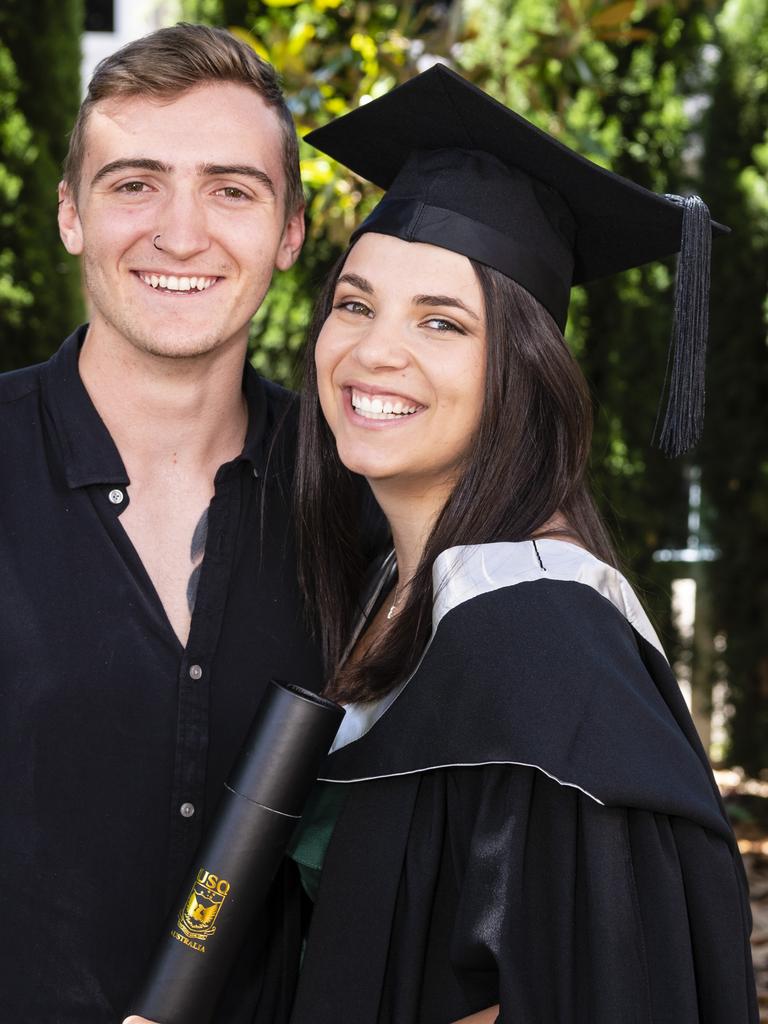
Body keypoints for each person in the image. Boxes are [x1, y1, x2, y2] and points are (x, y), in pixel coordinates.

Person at [283, 66, 758, 1023]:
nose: (374, 352)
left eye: (443, 322)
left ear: (525, 371)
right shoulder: (393, 590)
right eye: (355, 302)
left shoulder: (544, 645)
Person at [0, 24, 325, 1023]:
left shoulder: (359, 503)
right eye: (134, 183)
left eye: (232, 189)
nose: (180, 234)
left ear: (290, 233)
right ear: (70, 216)